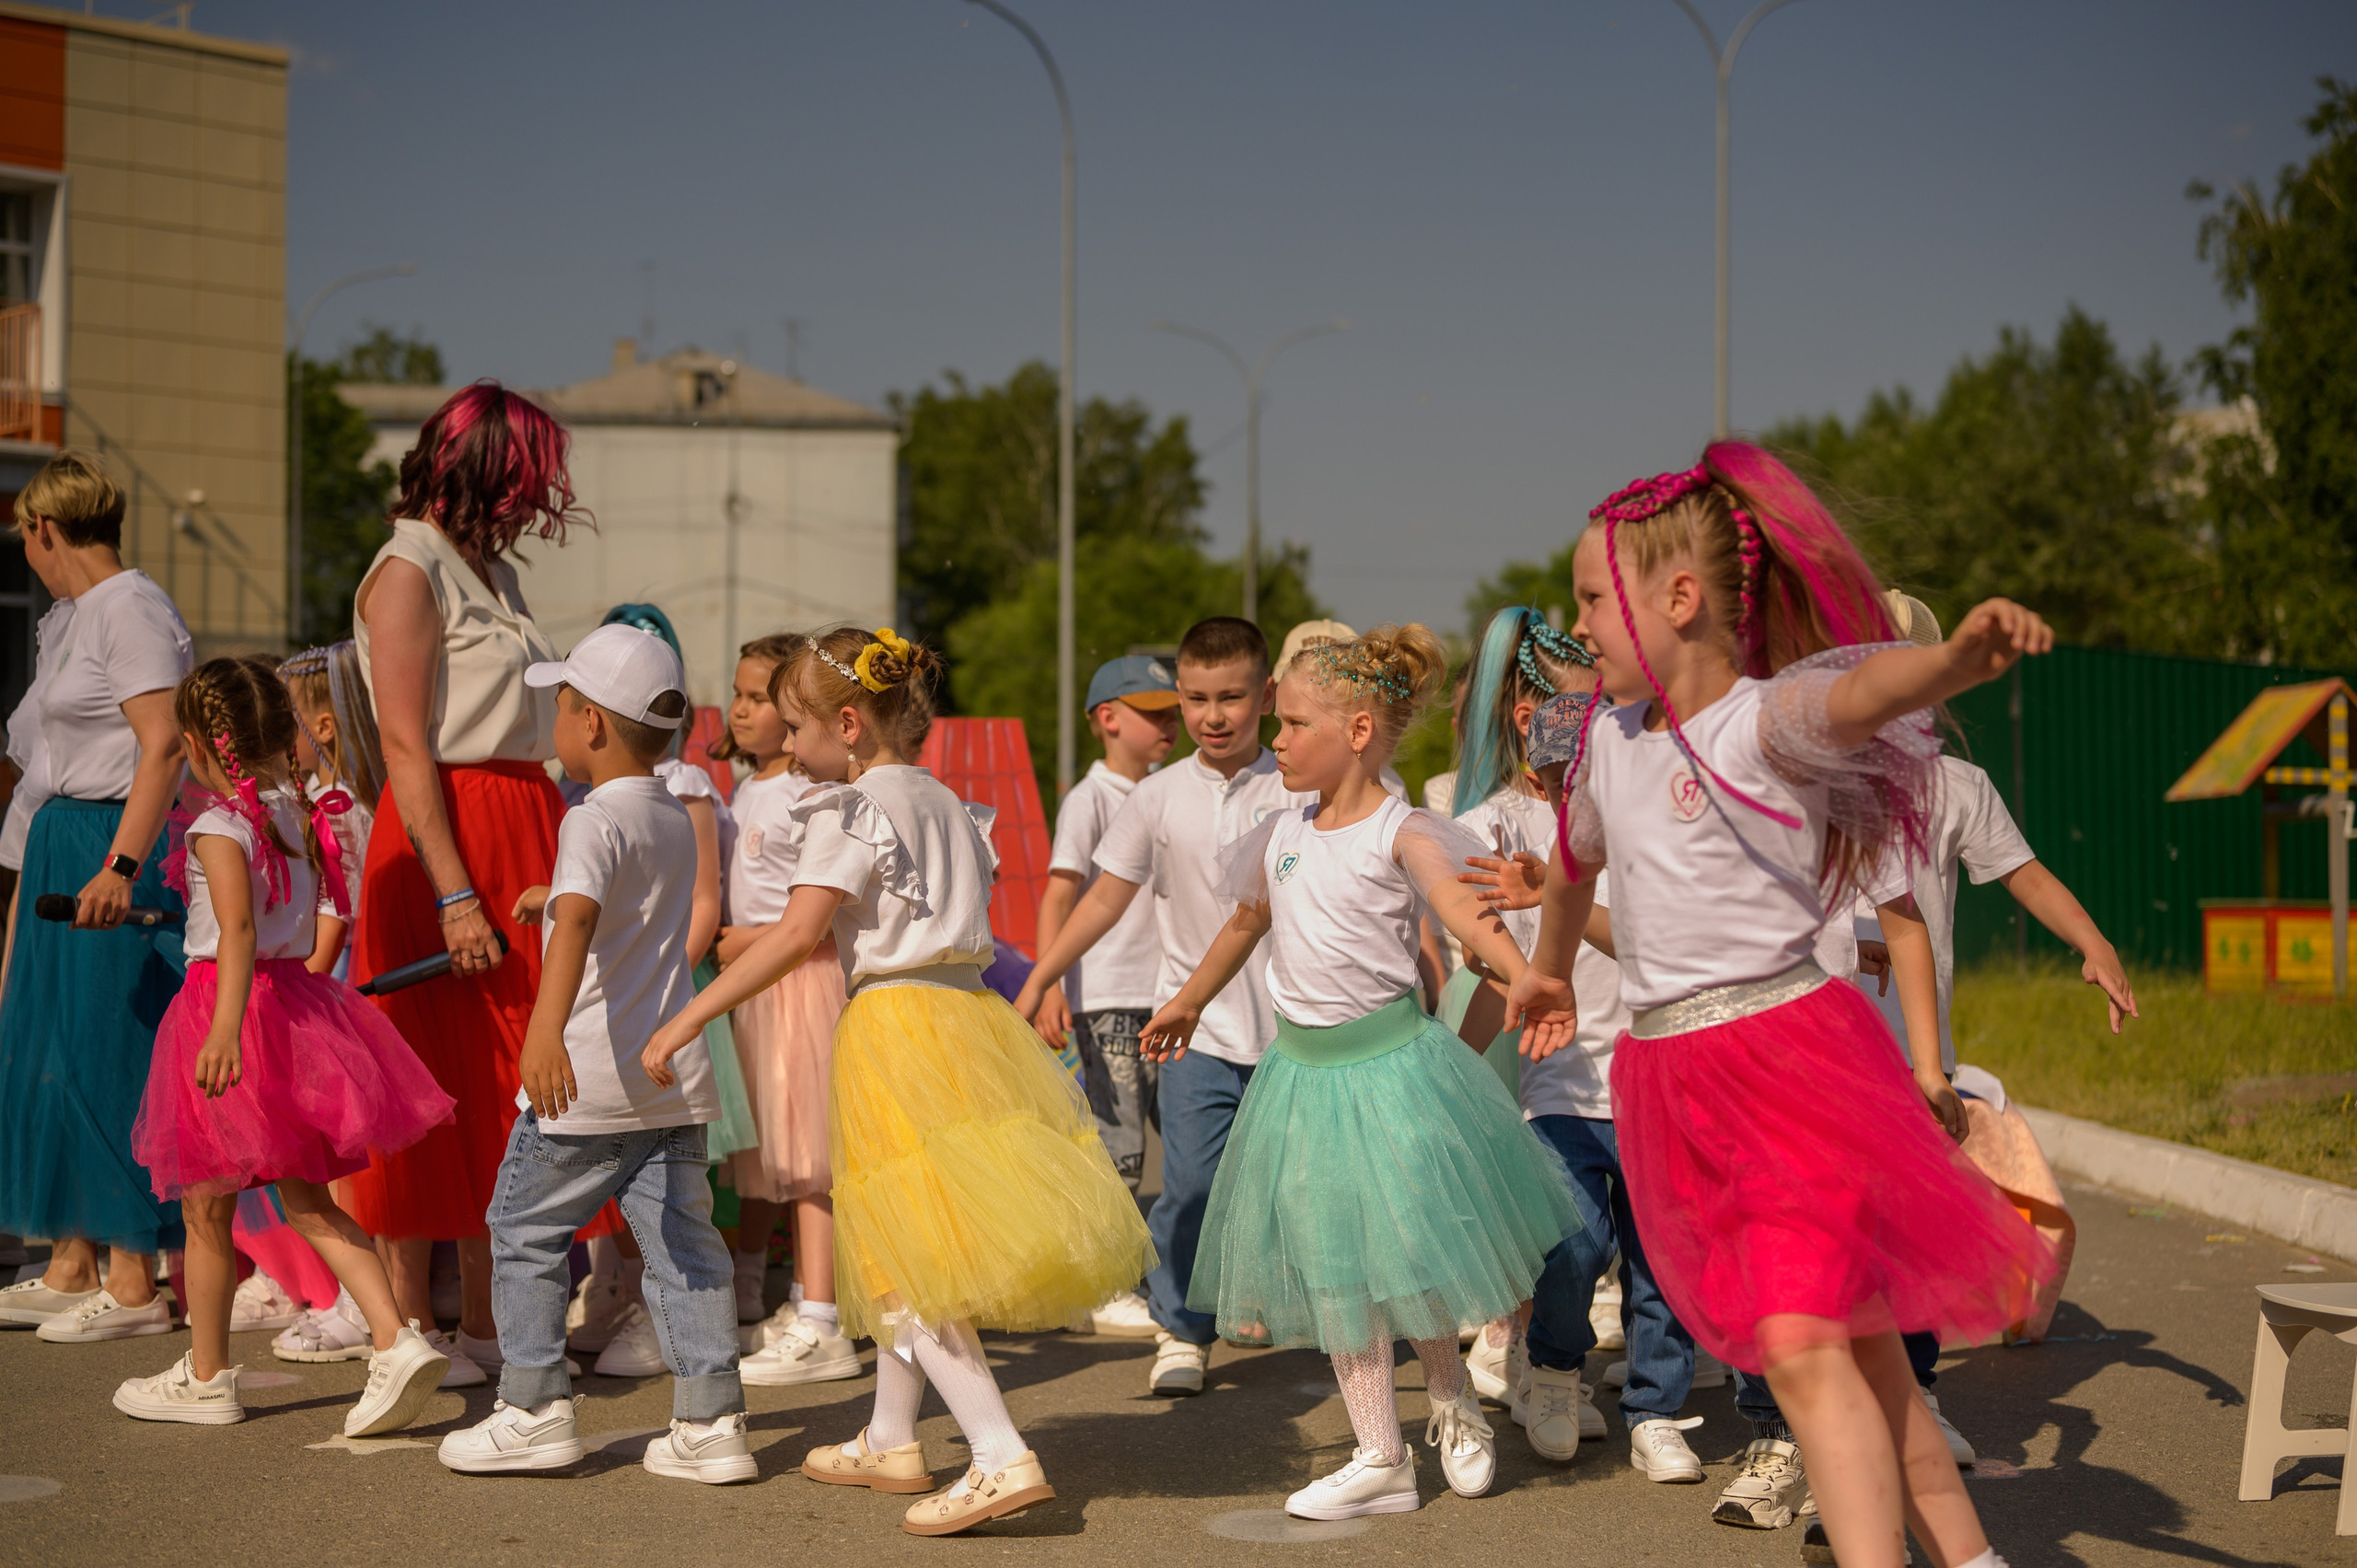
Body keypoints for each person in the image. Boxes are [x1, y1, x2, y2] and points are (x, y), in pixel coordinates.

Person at [1504, 443, 2058, 1568]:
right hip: (1673, 1080)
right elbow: (1569, 866)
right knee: (1869, 1358)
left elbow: (1861, 693)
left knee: (1803, 1348)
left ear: (1678, 599)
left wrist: (1952, 661)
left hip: (1788, 1064)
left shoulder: (1761, 721)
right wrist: (1548, 969)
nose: (1580, 624)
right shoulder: (1605, 740)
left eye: (1593, 599)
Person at [644, 626, 1153, 1535]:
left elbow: (796, 934)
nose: (788, 743)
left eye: (796, 725)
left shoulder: (847, 809)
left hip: (894, 1027)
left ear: (847, 724)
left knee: (903, 1258)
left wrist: (685, 1015)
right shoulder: (944, 800)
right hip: (965, 1021)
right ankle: (889, 1434)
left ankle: (998, 1451)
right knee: (912, 1230)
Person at [1147, 625, 1585, 1520]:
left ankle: (1453, 1401)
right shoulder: (1280, 831)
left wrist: (1522, 972)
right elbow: (1244, 924)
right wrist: (1188, 1000)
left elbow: (1463, 910)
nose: (1275, 738)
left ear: (1355, 731)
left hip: (1392, 1073)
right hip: (1302, 1080)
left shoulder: (1401, 829)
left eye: (1292, 723)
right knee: (1339, 1270)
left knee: (1409, 1254)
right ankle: (1381, 1452)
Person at [436, 623, 753, 1483]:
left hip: (589, 1079)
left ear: (594, 723)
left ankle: (534, 1406)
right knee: (684, 1246)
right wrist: (555, 895)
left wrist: (542, 1030)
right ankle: (711, 1421)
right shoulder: (671, 812)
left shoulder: (588, 816)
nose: (557, 721)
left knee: (524, 1227)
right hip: (670, 1078)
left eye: (563, 705)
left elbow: (580, 919)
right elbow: (630, 904)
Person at [116, 656, 454, 1431]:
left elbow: (235, 930)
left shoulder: (219, 826)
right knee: (308, 1198)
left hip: (226, 1009)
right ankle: (395, 1337)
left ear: (200, 744)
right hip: (294, 1004)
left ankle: (208, 1378)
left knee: (206, 1207)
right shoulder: (300, 814)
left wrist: (225, 1028)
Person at [344, 383, 579, 1383]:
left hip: (520, 820)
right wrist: (453, 892)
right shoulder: (408, 568)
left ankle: (487, 1324)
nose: (541, 498)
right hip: (452, 836)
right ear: (488, 470)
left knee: (509, 1081)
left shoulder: (491, 568)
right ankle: (419, 1328)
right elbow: (405, 744)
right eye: (529, 476)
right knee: (446, 1077)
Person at [1013, 618, 1308, 1398]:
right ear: (1179, 696)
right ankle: (1181, 1329)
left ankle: (1285, 1307)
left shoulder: (1300, 785)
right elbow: (1102, 897)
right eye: (1197, 698)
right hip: (1193, 1031)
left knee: (1292, 1186)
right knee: (1191, 1184)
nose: (1214, 715)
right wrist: (1042, 976)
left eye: (1232, 697)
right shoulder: (1156, 794)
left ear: (1267, 695)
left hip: (1294, 1030)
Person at [1449, 619, 1713, 1484]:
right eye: (1565, 754)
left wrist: (1556, 895)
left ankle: (1657, 1410)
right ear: (1532, 732)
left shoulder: (1653, 818)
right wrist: (1463, 1035)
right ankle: (1556, 1369)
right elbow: (1494, 963)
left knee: (1662, 1258)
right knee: (1571, 1244)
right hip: (1560, 1081)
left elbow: (1657, 942)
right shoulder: (1498, 826)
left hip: (1657, 1077)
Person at [0, 452, 193, 1338]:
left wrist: (120, 863)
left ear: (44, 528)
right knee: (56, 1046)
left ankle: (133, 1278)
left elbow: (164, 743)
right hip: (61, 839)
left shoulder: (131, 607)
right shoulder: (74, 617)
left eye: (24, 534)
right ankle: (74, 1259)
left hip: (113, 839)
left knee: (114, 1047)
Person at [564, 603, 764, 1382]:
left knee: (671, 1181)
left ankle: (659, 1321)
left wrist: (665, 981)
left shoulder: (682, 788)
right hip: (620, 993)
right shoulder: (595, 798)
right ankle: (621, 1288)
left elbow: (701, 900)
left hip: (669, 992)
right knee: (631, 1169)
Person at [697, 631, 862, 1386]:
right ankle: (770, 1287)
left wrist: (749, 940)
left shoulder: (808, 789)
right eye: (738, 694)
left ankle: (819, 1312)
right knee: (771, 1152)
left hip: (799, 981)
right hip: (761, 987)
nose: (741, 709)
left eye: (760, 698)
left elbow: (819, 913)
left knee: (807, 1156)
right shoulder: (748, 787)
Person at [1031, 654, 1182, 1337]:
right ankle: (1104, 1283)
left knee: (1181, 1142)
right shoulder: (1089, 799)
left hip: (1168, 993)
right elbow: (1060, 894)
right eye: (1154, 714)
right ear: (1107, 718)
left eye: (1173, 713)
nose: (1169, 726)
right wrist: (1050, 984)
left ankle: (1168, 1273)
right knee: (1118, 1145)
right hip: (1110, 993)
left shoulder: (1167, 791)